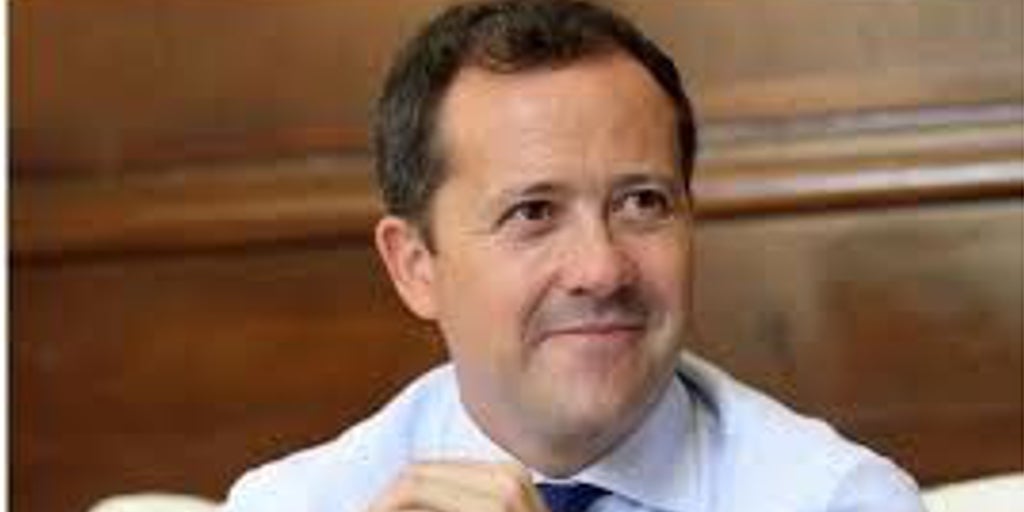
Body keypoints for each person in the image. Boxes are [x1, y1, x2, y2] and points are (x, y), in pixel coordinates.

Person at [223, 1, 926, 511]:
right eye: (533, 213)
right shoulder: (297, 504)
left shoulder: (835, 499)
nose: (602, 269)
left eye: (642, 203)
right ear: (415, 266)